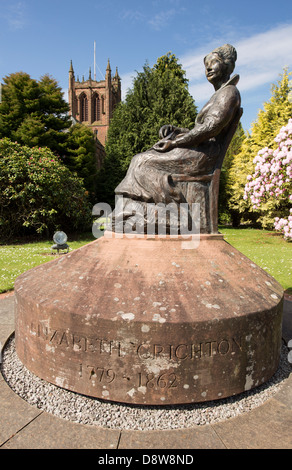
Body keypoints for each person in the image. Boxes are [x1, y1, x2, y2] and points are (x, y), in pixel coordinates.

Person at [111, 44, 241, 232]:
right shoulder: (219, 95)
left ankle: (175, 215)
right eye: (206, 65)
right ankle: (137, 212)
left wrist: (175, 142)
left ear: (227, 66)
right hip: (199, 150)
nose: (208, 68)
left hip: (203, 157)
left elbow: (211, 128)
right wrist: (176, 130)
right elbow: (202, 129)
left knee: (142, 161)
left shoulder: (229, 93)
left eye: (214, 63)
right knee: (143, 158)